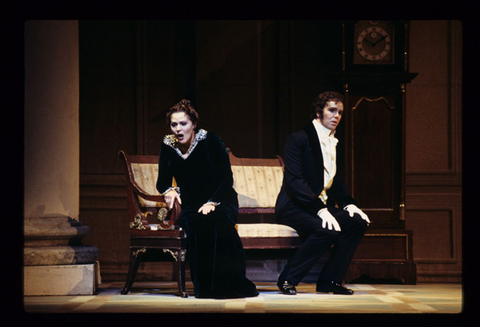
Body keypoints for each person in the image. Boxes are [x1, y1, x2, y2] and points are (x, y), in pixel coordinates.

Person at [156, 99, 259, 299]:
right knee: (196, 223)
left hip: (221, 198)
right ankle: (205, 287)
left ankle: (226, 285)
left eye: (183, 124)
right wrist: (169, 190)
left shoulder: (211, 140)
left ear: (194, 124)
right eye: (174, 124)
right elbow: (162, 180)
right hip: (191, 205)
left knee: (217, 221)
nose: (178, 129)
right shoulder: (168, 145)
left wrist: (212, 202)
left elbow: (226, 179)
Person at [275, 91, 370, 295]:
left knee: (356, 223)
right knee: (327, 230)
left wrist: (348, 204)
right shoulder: (298, 139)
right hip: (294, 206)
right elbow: (295, 181)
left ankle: (330, 281)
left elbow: (336, 181)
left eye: (340, 112)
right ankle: (287, 279)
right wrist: (320, 208)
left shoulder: (335, 141)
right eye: (332, 110)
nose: (336, 116)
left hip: (319, 207)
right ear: (319, 112)